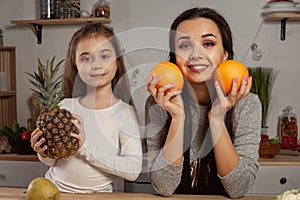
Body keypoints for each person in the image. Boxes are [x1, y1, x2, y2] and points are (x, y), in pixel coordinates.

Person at [145, 7, 261, 198]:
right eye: (184, 46)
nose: (195, 54)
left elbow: (238, 189)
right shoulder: (158, 102)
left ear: (225, 54)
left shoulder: (247, 104)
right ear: (174, 57)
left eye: (208, 43)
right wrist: (177, 117)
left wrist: (216, 120)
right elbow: (164, 187)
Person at [30, 23, 143, 193]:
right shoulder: (63, 108)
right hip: (54, 192)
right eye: (85, 58)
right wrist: (44, 153)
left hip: (99, 196)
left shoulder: (124, 113)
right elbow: (54, 162)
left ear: (117, 62)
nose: (96, 65)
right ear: (75, 64)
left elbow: (133, 169)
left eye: (105, 56)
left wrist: (85, 149)